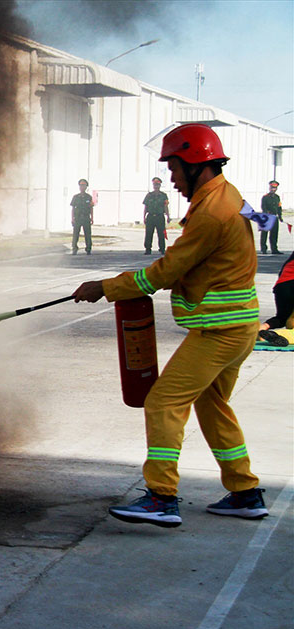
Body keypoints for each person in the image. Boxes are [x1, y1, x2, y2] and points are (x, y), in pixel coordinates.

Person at [73, 123, 267, 528]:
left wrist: (105, 288)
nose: (172, 178)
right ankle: (245, 492)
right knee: (212, 405)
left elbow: (165, 272)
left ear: (195, 164)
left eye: (174, 168)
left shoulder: (211, 213)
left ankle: (161, 498)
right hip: (239, 326)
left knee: (163, 402)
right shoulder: (225, 195)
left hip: (220, 331)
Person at [257, 250, 294, 347]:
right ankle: (280, 335)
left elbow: (283, 271)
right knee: (290, 322)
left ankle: (262, 329)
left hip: (282, 285)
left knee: (281, 317)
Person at [142, 176, 170, 255]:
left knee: (161, 233)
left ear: (160, 185)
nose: (156, 186)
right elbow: (146, 207)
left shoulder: (163, 195)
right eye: (154, 185)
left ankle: (162, 249)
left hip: (160, 216)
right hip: (150, 216)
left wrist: (168, 216)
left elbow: (166, 207)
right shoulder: (149, 195)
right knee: (149, 233)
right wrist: (144, 217)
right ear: (153, 185)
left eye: (157, 185)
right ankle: (148, 249)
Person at [69, 178, 93, 255]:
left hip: (86, 217)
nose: (82, 187)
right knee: (76, 234)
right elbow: (73, 208)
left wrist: (92, 218)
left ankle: (88, 248)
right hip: (78, 217)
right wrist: (72, 218)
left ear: (86, 187)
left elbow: (91, 208)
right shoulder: (76, 197)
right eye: (81, 185)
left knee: (87, 234)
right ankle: (74, 248)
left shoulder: (89, 197)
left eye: (84, 185)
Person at [260, 180, 283, 254]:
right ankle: (263, 249)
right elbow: (263, 207)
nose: (273, 189)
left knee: (274, 234)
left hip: (274, 217)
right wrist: (267, 214)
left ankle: (274, 249)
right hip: (266, 217)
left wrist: (280, 216)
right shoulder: (265, 197)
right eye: (272, 188)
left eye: (275, 188)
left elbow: (279, 207)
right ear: (269, 188)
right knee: (264, 234)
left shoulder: (277, 197)